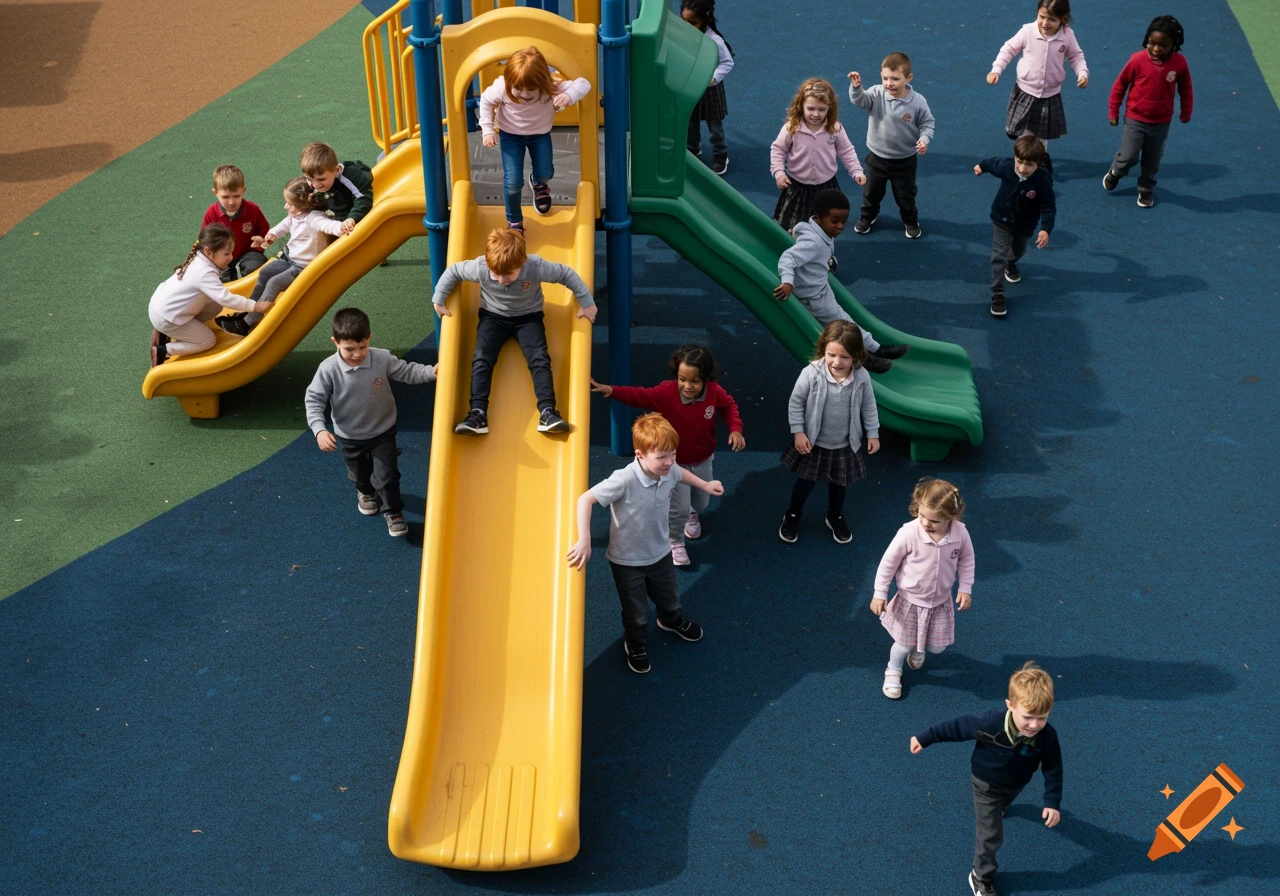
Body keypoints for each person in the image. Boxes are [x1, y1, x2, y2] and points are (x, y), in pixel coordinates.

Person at [566, 412, 722, 674]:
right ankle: (635, 642)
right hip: (627, 560)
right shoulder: (624, 479)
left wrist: (704, 485)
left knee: (669, 595)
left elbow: (680, 473)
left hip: (660, 552)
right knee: (636, 610)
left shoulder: (669, 468)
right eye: (661, 456)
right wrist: (585, 539)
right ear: (640, 455)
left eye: (672, 454)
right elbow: (585, 500)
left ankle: (670, 619)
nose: (669, 461)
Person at [910, 662, 1063, 896]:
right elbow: (958, 727)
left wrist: (1052, 801)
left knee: (1005, 803)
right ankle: (981, 875)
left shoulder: (1047, 736)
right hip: (986, 784)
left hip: (1016, 783)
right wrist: (926, 737)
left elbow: (1053, 767)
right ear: (1010, 706)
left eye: (1042, 717)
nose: (1034, 725)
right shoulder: (990, 723)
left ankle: (1002, 807)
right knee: (990, 834)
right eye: (1028, 717)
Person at [590, 344, 745, 567]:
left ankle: (692, 514)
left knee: (701, 502)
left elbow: (729, 406)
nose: (687, 386)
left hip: (702, 457)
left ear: (706, 379)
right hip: (674, 463)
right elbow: (639, 396)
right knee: (678, 508)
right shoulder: (666, 392)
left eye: (694, 381)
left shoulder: (715, 393)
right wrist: (612, 390)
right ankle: (675, 540)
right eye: (682, 379)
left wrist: (735, 428)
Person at [433, 227, 596, 435]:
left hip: (528, 317)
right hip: (493, 316)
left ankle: (548, 411)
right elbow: (454, 271)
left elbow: (566, 274)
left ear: (522, 262)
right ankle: (477, 414)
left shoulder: (535, 267)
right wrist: (438, 299)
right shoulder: (481, 267)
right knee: (482, 358)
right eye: (496, 274)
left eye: (508, 274)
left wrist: (587, 302)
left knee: (539, 358)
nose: (501, 279)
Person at [304, 308, 436, 538]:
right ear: (335, 342)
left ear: (369, 338)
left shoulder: (381, 358)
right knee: (359, 475)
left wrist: (432, 372)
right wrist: (319, 430)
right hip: (350, 435)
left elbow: (407, 371)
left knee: (387, 476)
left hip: (382, 430)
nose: (357, 354)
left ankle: (394, 512)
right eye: (349, 349)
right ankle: (365, 492)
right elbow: (314, 399)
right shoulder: (329, 369)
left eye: (362, 346)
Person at [773, 188, 908, 373]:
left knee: (847, 321)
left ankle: (875, 349)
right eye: (834, 221)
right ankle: (867, 357)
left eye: (844, 221)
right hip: (813, 298)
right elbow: (788, 258)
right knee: (844, 328)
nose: (840, 226)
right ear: (817, 217)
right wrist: (788, 281)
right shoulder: (813, 242)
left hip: (820, 288)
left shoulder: (819, 231)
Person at [870, 478, 975, 699]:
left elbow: (967, 560)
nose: (926, 524)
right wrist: (880, 592)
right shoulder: (909, 533)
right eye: (922, 515)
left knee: (937, 648)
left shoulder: (960, 534)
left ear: (951, 517)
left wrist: (965, 588)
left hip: (940, 602)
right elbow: (888, 563)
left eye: (935, 521)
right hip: (910, 601)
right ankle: (893, 669)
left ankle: (920, 648)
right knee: (903, 644)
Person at [778, 321, 879, 545]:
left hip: (843, 444)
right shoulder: (812, 373)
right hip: (813, 443)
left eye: (844, 357)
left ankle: (835, 516)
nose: (837, 362)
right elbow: (796, 403)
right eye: (831, 354)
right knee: (804, 483)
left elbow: (869, 406)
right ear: (824, 349)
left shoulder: (861, 378)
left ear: (856, 356)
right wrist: (798, 432)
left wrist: (873, 433)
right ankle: (792, 514)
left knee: (839, 484)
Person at [479, 45, 591, 231]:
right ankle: (514, 221)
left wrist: (568, 95)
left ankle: (538, 184)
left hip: (539, 135)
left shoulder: (549, 87)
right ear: (509, 82)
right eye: (518, 88)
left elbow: (584, 84)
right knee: (513, 182)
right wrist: (488, 129)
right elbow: (486, 100)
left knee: (545, 172)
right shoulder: (503, 86)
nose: (524, 94)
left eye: (531, 89)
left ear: (542, 82)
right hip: (510, 136)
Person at [217, 177, 346, 336]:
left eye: (290, 204)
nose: (286, 206)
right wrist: (270, 236)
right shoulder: (296, 215)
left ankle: (245, 323)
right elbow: (283, 226)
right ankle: (249, 309)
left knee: (274, 282)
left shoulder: (314, 218)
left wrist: (343, 227)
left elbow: (329, 226)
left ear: (302, 205)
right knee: (265, 273)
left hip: (302, 267)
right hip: (289, 258)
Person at [986, 0, 1088, 176]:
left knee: (1039, 136)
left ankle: (1032, 165)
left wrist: (1082, 73)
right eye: (1042, 17)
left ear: (1063, 19)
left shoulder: (1067, 35)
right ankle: (1023, 151)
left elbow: (1076, 56)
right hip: (1025, 92)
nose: (1045, 23)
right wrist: (996, 70)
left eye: (1052, 19)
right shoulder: (1027, 31)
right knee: (1015, 130)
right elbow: (1008, 49)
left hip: (1050, 96)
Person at [147, 224, 272, 366]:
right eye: (226, 254)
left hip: (163, 307)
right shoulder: (204, 272)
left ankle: (168, 332)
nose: (231, 257)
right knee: (208, 341)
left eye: (231, 252)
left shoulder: (199, 259)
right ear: (208, 251)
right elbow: (226, 298)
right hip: (167, 317)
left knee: (215, 306)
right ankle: (164, 350)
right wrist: (255, 306)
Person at [1103, 15, 1193, 208]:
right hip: (1135, 118)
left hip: (1161, 122)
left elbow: (1186, 88)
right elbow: (1120, 85)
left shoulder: (1179, 63)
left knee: (1152, 160)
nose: (1156, 49)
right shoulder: (1137, 60)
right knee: (1129, 155)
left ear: (1174, 45)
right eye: (1151, 43)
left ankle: (1146, 188)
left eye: (1163, 45)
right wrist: (1113, 111)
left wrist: (1186, 111)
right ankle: (1117, 171)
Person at [847, 52, 935, 238]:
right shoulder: (877, 93)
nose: (889, 83)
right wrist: (856, 88)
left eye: (895, 79)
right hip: (876, 158)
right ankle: (867, 217)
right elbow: (860, 101)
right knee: (871, 193)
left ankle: (910, 220)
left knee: (906, 196)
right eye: (885, 78)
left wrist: (924, 140)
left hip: (904, 161)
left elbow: (927, 124)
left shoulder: (918, 102)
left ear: (908, 78)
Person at [770, 77, 866, 234]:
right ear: (801, 106)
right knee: (792, 226)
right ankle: (794, 253)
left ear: (830, 108)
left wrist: (856, 171)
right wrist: (779, 173)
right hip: (797, 186)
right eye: (811, 108)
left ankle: (823, 254)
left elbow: (846, 150)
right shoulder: (792, 128)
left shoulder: (834, 128)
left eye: (822, 109)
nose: (816, 114)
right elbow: (778, 149)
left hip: (825, 187)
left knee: (825, 226)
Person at [974, 135, 1056, 319]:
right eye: (1019, 162)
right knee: (998, 255)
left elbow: (1049, 206)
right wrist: (982, 166)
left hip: (1025, 225)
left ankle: (1011, 263)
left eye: (1029, 164)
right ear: (1014, 157)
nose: (1022, 168)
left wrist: (1045, 229)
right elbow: (993, 163)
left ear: (1038, 164)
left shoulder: (1042, 181)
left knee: (1018, 251)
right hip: (1001, 220)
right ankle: (997, 293)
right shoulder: (1007, 167)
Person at [681, 0, 733, 175]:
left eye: (693, 23)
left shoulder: (715, 41)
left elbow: (727, 62)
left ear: (704, 19)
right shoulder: (684, 35)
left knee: (714, 125)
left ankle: (720, 153)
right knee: (690, 121)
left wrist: (713, 78)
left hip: (710, 90)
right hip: (691, 86)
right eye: (684, 21)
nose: (687, 26)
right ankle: (693, 148)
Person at [202, 164, 270, 282]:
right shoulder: (211, 213)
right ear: (215, 192)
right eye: (225, 197)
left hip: (248, 253)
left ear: (243, 190)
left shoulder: (252, 209)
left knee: (256, 268)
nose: (231, 202)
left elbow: (264, 230)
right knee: (221, 278)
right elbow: (205, 240)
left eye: (236, 196)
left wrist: (261, 241)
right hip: (222, 258)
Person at [300, 142, 373, 236]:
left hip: (356, 218)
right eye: (309, 179)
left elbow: (363, 198)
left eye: (321, 179)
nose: (315, 184)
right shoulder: (316, 182)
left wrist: (352, 218)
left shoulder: (349, 177)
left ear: (337, 170)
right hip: (339, 216)